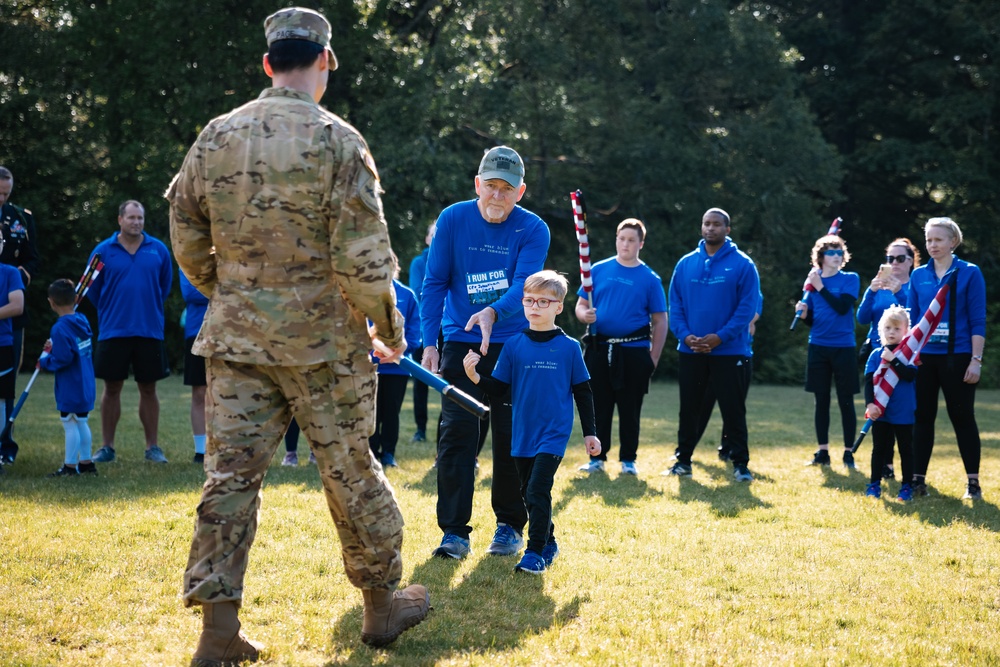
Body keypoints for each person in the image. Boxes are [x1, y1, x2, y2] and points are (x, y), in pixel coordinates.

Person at [165, 8, 429, 661]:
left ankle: (218, 632)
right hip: (323, 345)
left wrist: (228, 293)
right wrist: (388, 325)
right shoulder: (339, 141)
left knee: (228, 477)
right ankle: (380, 607)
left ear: (267, 65)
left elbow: (184, 227)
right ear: (324, 64)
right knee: (349, 471)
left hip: (238, 341)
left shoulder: (217, 136)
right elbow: (366, 259)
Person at [420, 145, 550, 560]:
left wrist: (493, 312)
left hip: (514, 343)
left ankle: (510, 526)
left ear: (520, 192)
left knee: (513, 437)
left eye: (506, 189)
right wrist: (429, 342)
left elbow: (524, 285)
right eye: (490, 186)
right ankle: (454, 533)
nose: (497, 196)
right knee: (457, 433)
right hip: (462, 340)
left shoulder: (533, 229)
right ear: (477, 184)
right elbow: (435, 283)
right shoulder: (453, 219)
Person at [462, 271, 599, 574]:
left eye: (542, 301)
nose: (534, 306)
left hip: (553, 433)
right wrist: (475, 377)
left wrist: (590, 433)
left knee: (537, 489)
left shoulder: (570, 348)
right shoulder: (513, 345)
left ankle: (534, 552)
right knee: (528, 493)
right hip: (521, 432)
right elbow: (498, 389)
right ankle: (549, 541)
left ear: (558, 306)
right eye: (528, 300)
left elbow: (583, 392)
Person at [664, 208, 759, 482]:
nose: (711, 228)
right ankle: (683, 461)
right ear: (701, 227)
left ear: (727, 229)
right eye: (706, 223)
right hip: (691, 350)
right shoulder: (685, 263)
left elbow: (746, 309)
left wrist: (720, 337)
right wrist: (685, 336)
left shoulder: (743, 264)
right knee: (689, 408)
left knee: (733, 410)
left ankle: (740, 464)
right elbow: (676, 304)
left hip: (730, 351)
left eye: (717, 224)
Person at [574, 218, 667, 477]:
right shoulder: (597, 270)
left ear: (641, 243)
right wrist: (585, 316)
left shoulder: (649, 278)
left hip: (634, 352)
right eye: (622, 238)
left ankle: (628, 460)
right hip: (598, 348)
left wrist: (653, 358)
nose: (625, 244)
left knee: (629, 408)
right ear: (616, 239)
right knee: (598, 407)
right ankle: (596, 458)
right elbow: (580, 305)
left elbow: (660, 321)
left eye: (631, 240)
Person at [86, 200, 172, 464]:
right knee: (111, 388)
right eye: (132, 217)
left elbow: (164, 287)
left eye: (140, 218)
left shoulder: (158, 250)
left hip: (149, 330)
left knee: (149, 388)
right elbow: (91, 289)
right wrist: (114, 309)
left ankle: (152, 448)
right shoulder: (102, 251)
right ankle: (107, 447)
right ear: (120, 220)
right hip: (114, 330)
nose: (136, 222)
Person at [907, 217, 986, 500]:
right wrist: (908, 355)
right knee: (922, 417)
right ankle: (918, 481)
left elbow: (978, 320)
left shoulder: (969, 272)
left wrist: (975, 360)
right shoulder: (918, 275)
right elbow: (913, 320)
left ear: (953, 241)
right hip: (924, 359)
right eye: (929, 240)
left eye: (938, 240)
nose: (932, 245)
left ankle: (973, 483)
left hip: (959, 357)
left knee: (962, 417)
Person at [856, 237, 921, 480]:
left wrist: (899, 291)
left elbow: (917, 317)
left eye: (899, 258)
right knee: (879, 407)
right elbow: (862, 318)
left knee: (898, 407)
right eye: (889, 258)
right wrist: (871, 291)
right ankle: (886, 465)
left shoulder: (914, 284)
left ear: (910, 261)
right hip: (878, 354)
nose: (893, 263)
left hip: (904, 355)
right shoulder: (879, 287)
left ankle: (900, 468)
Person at [795, 234, 861, 469]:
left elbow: (843, 308)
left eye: (839, 252)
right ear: (821, 257)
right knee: (820, 400)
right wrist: (803, 315)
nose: (836, 256)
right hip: (818, 347)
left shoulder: (850, 278)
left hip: (843, 347)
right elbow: (814, 320)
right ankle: (822, 452)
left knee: (846, 401)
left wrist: (821, 288)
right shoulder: (812, 283)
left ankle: (848, 453)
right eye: (831, 252)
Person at [0, 166, 41, 459]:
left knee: (7, 378)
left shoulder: (21, 218)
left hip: (10, 303)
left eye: (6, 193)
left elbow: (33, 259)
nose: (2, 197)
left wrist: (16, 278)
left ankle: (6, 443)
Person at [39, 279, 96, 477]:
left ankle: (70, 467)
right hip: (86, 384)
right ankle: (87, 463)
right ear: (76, 299)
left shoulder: (60, 328)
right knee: (82, 421)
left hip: (71, 386)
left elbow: (63, 358)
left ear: (51, 302)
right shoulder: (82, 320)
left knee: (69, 423)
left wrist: (46, 360)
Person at [369, 255, 421, 468]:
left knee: (391, 413)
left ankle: (388, 453)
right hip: (370, 365)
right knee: (371, 413)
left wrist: (403, 347)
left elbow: (415, 332)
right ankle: (371, 454)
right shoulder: (365, 294)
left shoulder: (407, 295)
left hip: (398, 367)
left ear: (395, 268)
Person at [862, 306, 916, 501]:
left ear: (906, 330)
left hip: (903, 410)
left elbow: (910, 375)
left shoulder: (909, 354)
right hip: (880, 410)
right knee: (879, 448)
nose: (891, 332)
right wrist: (870, 405)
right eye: (887, 328)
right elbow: (868, 382)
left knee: (906, 449)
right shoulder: (876, 355)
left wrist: (893, 360)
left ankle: (907, 487)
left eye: (896, 329)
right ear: (881, 330)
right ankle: (874, 485)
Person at [407, 222, 434, 443]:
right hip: (425, 331)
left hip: (451, 331)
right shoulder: (419, 263)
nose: (436, 239)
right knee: (421, 382)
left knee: (452, 380)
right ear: (427, 239)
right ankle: (421, 430)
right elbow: (419, 294)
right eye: (433, 235)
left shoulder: (454, 260)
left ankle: (445, 432)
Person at [179, 272, 209, 464]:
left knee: (226, 392)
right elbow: (190, 294)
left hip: (227, 332)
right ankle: (201, 452)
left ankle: (225, 448)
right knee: (199, 392)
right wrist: (222, 291)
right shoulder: (187, 260)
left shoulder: (228, 254)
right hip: (196, 332)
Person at [0, 232, 24, 469]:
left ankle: (2, 450)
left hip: (2, 343)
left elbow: (17, 305)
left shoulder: (10, 272)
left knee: (3, 399)